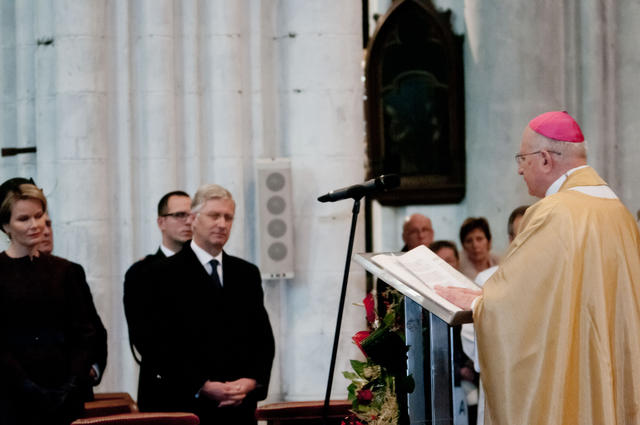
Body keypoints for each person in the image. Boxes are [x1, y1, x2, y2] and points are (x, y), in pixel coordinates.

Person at [436, 111, 640, 424]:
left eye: (522, 158)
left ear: (545, 158)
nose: (519, 169)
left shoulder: (553, 212)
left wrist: (478, 303)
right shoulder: (618, 211)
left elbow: (520, 307)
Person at [139, 184, 275, 425]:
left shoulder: (246, 273)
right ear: (193, 218)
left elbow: (262, 338)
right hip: (187, 406)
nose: (222, 224)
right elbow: (157, 342)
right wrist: (202, 385)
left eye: (228, 217)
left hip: (239, 407)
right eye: (214, 215)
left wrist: (251, 381)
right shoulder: (161, 274)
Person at [0, 179, 98, 424]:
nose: (35, 225)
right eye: (23, 219)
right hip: (12, 400)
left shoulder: (67, 271)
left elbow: (85, 334)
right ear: (5, 226)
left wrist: (69, 386)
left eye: (39, 215)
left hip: (66, 400)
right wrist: (29, 389)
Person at [123, 190, 193, 401]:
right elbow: (143, 336)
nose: (188, 221)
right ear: (161, 222)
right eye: (180, 215)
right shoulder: (141, 272)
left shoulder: (207, 268)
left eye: (192, 215)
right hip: (163, 387)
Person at [38, 211, 108, 398]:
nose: (45, 231)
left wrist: (90, 369)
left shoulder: (69, 272)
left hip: (72, 389)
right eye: (27, 220)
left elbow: (94, 330)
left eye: (48, 224)